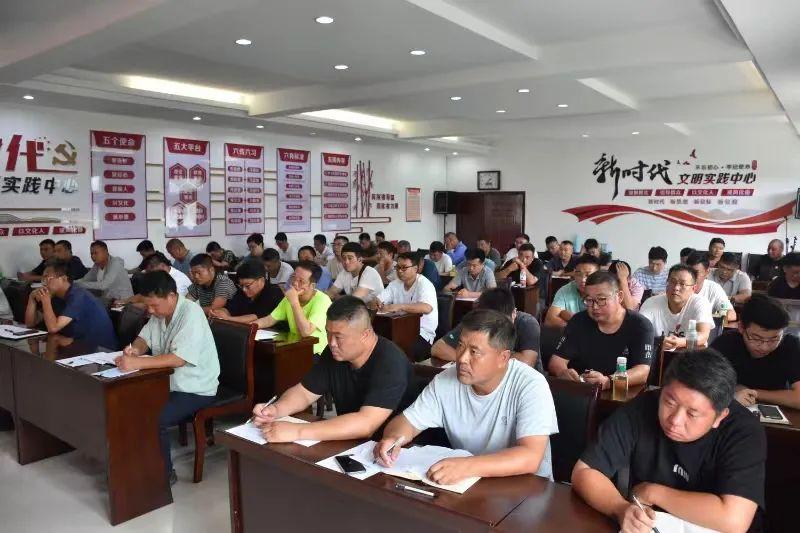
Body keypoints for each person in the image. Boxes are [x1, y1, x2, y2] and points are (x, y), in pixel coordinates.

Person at [572, 350, 765, 533]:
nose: (675, 420)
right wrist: (620, 509)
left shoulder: (743, 432)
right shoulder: (641, 408)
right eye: (669, 402)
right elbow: (584, 471)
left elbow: (734, 520)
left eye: (692, 413)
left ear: (719, 417)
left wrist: (653, 493)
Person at [374, 309, 559, 482]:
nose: (461, 358)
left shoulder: (531, 385)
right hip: (471, 481)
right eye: (460, 346)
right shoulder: (446, 380)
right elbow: (407, 422)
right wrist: (393, 439)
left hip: (527, 487)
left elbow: (530, 456)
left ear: (503, 358)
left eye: (474, 352)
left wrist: (467, 466)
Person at [250, 296, 414, 443]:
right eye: (328, 334)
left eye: (338, 336)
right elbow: (304, 393)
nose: (332, 343)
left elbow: (367, 424)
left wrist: (298, 431)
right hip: (348, 440)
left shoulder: (391, 362)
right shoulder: (335, 353)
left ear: (365, 334)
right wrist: (276, 409)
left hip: (391, 448)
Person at [115, 270, 220, 485]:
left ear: (171, 296)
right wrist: (135, 350)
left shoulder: (191, 313)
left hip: (195, 387)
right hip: (167, 381)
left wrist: (137, 363)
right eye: (148, 306)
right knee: (124, 403)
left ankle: (163, 474)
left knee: (154, 417)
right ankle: (137, 462)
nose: (150, 311)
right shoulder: (160, 313)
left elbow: (179, 359)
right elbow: (144, 338)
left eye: (154, 305)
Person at [549, 272, 654, 388]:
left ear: (619, 297)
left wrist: (608, 381)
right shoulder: (578, 321)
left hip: (620, 392)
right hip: (581, 389)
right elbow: (556, 362)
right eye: (589, 300)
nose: (594, 306)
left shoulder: (640, 325)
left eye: (601, 299)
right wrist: (563, 372)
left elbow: (643, 371)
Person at [712, 294, 800, 409]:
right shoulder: (726, 343)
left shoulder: (791, 345)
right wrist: (732, 393)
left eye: (774, 339)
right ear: (741, 327)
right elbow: (701, 383)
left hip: (777, 413)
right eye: (756, 338)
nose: (764, 347)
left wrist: (754, 393)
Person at [433, 287, 543, 372]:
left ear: (514, 313)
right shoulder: (477, 321)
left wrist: (482, 357)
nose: (496, 329)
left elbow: (526, 363)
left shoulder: (528, 323)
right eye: (490, 324)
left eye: (502, 323)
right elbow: (438, 348)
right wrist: (470, 360)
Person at [24, 259, 117, 348]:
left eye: (48, 278)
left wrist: (46, 301)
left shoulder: (78, 296)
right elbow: (30, 324)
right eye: (43, 279)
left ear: (64, 278)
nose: (44, 284)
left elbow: (53, 328)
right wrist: (31, 299)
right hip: (79, 345)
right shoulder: (56, 297)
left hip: (100, 350)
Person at [371, 252, 438, 361]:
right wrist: (377, 302)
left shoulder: (425, 284)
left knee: (392, 351)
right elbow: (378, 299)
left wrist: (399, 306)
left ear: (415, 268)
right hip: (397, 329)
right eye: (397, 267)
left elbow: (427, 308)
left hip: (421, 334)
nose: (400, 271)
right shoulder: (395, 284)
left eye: (404, 268)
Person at [255, 261, 331, 354]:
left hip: (315, 352)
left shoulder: (322, 300)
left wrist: (294, 302)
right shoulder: (291, 297)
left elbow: (306, 332)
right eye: (294, 277)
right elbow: (269, 320)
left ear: (312, 285)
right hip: (294, 346)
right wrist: (249, 328)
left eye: (301, 281)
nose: (294, 283)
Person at [639, 264, 714, 350]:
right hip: (657, 353)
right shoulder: (651, 302)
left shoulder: (701, 303)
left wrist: (679, 342)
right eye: (672, 282)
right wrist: (658, 341)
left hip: (690, 354)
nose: (676, 288)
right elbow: (638, 331)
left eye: (683, 284)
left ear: (693, 288)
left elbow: (703, 335)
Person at [210, 260, 283, 323]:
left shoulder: (273, 292)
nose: (244, 289)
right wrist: (219, 313)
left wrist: (228, 319)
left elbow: (256, 317)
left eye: (247, 286)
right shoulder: (241, 292)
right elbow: (230, 309)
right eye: (241, 286)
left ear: (261, 280)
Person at [544, 255, 600, 328]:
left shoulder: (604, 292)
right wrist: (576, 327)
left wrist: (566, 315)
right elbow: (549, 320)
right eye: (579, 274)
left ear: (598, 275)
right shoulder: (565, 290)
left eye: (588, 275)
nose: (583, 279)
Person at [686, 251, 736, 322]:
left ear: (707, 272)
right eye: (689, 272)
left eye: (696, 273)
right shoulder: (677, 287)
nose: (691, 276)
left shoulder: (714, 288)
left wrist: (706, 318)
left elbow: (731, 314)